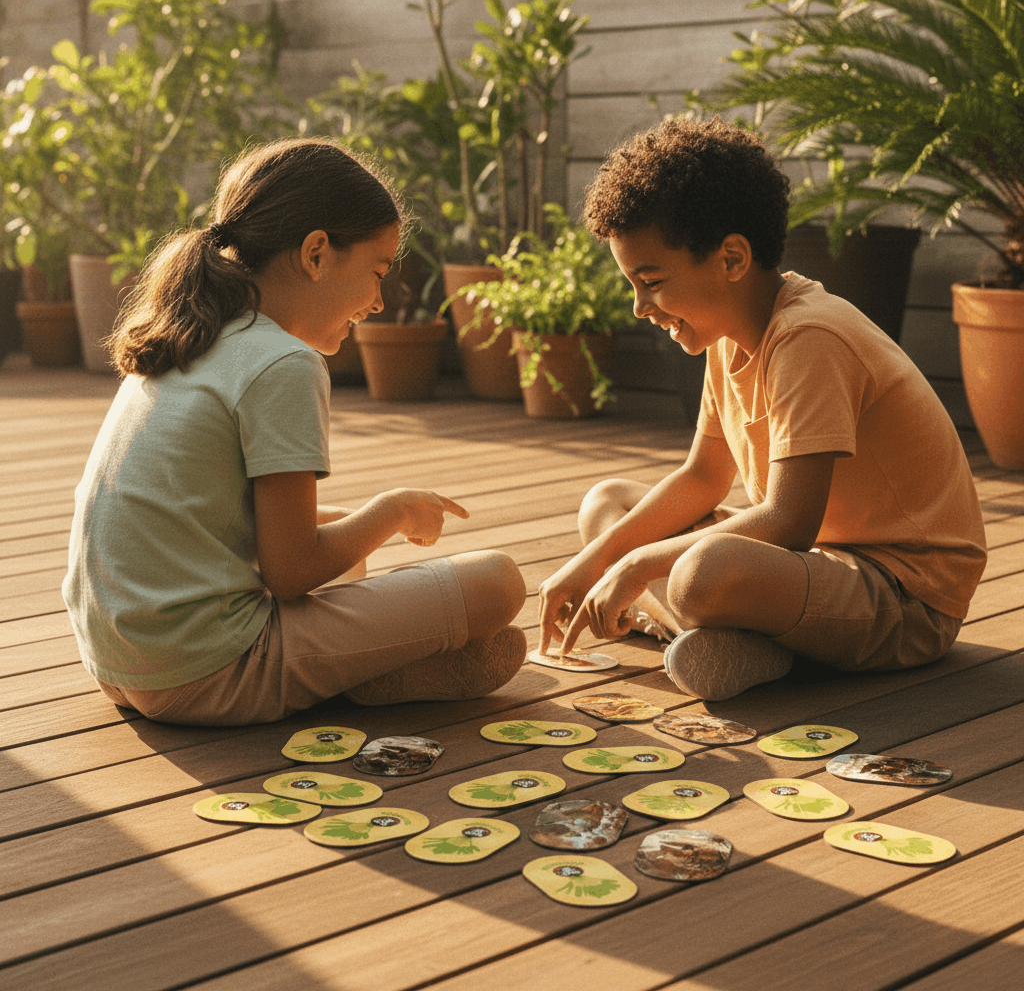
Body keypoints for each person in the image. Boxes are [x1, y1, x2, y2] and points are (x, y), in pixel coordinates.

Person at [63, 137, 527, 726]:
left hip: (119, 662)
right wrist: (394, 511)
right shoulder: (283, 361)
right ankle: (365, 675)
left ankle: (375, 671)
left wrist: (360, 524)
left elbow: (244, 527)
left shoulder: (193, 333)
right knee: (498, 585)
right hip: (212, 672)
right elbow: (291, 573)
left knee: (339, 539)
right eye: (378, 271)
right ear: (316, 254)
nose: (380, 301)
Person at [538, 117, 986, 701]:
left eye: (650, 280)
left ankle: (719, 633)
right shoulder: (727, 332)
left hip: (902, 595)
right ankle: (733, 643)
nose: (639, 305)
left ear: (730, 258)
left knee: (703, 573)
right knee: (608, 505)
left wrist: (633, 566)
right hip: (807, 566)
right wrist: (594, 562)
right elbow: (702, 477)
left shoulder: (809, 337)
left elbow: (788, 520)